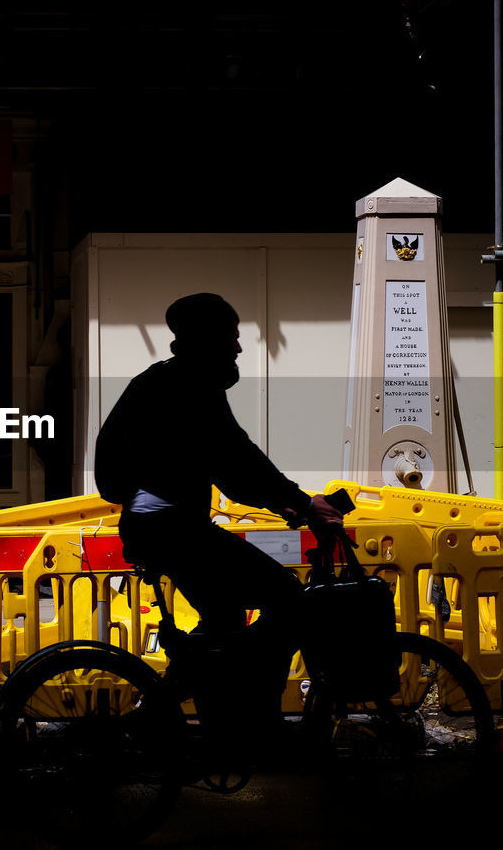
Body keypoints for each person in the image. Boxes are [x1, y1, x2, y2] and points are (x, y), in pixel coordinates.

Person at [95, 292, 343, 738]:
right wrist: (303, 503)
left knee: (225, 621)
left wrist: (287, 500)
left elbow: (232, 463)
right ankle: (255, 725)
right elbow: (234, 458)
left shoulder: (168, 380)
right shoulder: (188, 388)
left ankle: (171, 715)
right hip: (169, 529)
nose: (239, 347)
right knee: (286, 597)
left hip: (161, 527)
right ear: (208, 340)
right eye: (232, 336)